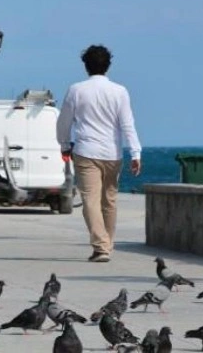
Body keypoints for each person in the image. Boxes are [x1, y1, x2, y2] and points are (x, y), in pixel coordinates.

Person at [56, 44, 142, 263]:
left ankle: (101, 246)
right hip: (113, 153)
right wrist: (135, 153)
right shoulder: (119, 91)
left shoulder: (76, 90)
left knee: (90, 201)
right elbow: (127, 124)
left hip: (86, 151)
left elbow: (64, 121)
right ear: (108, 66)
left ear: (86, 66)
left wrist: (64, 145)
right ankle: (106, 244)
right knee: (109, 201)